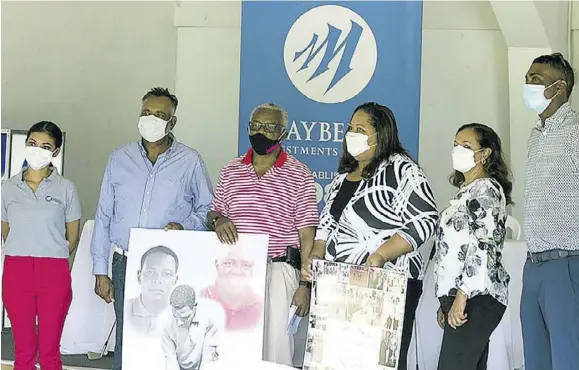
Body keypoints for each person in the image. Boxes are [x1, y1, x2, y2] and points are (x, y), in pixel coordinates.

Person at [303, 102, 438, 370]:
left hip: (387, 285)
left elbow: (425, 219)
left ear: (381, 134)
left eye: (360, 129)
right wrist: (315, 256)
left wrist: (380, 255)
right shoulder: (342, 177)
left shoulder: (401, 169)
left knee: (377, 363)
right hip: (339, 287)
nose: (351, 133)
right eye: (350, 128)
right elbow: (327, 224)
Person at [90, 87, 213, 370]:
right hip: (125, 262)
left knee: (167, 337)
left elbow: (207, 210)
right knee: (128, 338)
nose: (151, 119)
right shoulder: (119, 158)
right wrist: (100, 270)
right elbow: (104, 214)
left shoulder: (190, 161)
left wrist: (185, 226)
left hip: (169, 265)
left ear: (173, 121)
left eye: (160, 115)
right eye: (146, 113)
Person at [207, 103, 318, 366]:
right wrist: (219, 220)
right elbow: (212, 214)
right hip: (236, 272)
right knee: (234, 342)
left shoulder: (300, 174)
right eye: (256, 126)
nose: (261, 132)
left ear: (284, 134)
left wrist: (305, 285)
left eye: (270, 128)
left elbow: (307, 237)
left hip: (278, 271)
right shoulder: (231, 169)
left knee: (276, 348)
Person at [1, 121, 81, 370]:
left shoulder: (66, 189)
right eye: (32, 144)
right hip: (17, 270)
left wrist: (48, 253)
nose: (37, 150)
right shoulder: (7, 188)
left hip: (53, 272)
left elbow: (72, 237)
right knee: (23, 351)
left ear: (55, 151)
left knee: (49, 352)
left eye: (45, 146)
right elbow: (5, 232)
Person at [432, 123, 512, 370]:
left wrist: (461, 297)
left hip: (476, 296)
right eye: (456, 145)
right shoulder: (466, 192)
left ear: (485, 153)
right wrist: (445, 299)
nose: (458, 151)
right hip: (461, 296)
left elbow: (483, 247)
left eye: (466, 146)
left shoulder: (485, 189)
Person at [521, 53, 579, 370]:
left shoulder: (575, 133)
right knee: (536, 358)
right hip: (534, 266)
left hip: (567, 264)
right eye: (527, 77)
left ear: (558, 88)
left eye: (536, 79)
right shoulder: (535, 136)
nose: (528, 84)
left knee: (567, 357)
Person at [161, 285, 225, 370]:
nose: (180, 322)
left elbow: (208, 358)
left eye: (185, 317)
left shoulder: (210, 317)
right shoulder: (165, 321)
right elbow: (170, 358)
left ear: (195, 305)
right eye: (176, 316)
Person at [200, 244, 263, 331]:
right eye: (229, 263)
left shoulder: (260, 306)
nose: (237, 271)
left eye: (246, 265)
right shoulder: (201, 299)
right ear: (217, 265)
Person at [124, 245, 179, 335]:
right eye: (150, 272)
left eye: (167, 274)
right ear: (139, 276)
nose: (157, 279)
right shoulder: (125, 309)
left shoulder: (184, 318)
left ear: (175, 280)